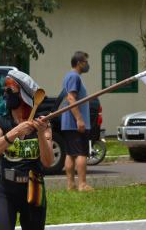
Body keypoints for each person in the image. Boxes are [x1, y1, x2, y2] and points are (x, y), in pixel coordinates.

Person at [0, 70, 54, 230]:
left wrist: (40, 134)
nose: (5, 95)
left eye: (10, 91)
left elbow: (48, 161)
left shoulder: (42, 123)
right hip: (5, 189)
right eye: (3, 91)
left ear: (23, 95)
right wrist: (16, 131)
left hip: (34, 189)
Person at [62, 51, 92, 191]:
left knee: (70, 153)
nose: (87, 65)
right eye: (86, 62)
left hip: (68, 122)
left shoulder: (69, 76)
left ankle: (71, 184)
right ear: (79, 63)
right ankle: (82, 184)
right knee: (81, 153)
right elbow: (71, 98)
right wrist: (79, 120)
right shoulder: (74, 76)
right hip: (75, 122)